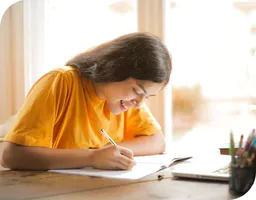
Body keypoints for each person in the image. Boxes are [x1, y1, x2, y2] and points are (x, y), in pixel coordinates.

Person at [0, 32, 172, 171]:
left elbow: (157, 141)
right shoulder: (61, 81)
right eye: (137, 91)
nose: (139, 103)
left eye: (147, 97)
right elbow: (11, 156)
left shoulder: (126, 100)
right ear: (115, 69)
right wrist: (93, 157)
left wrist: (108, 153)